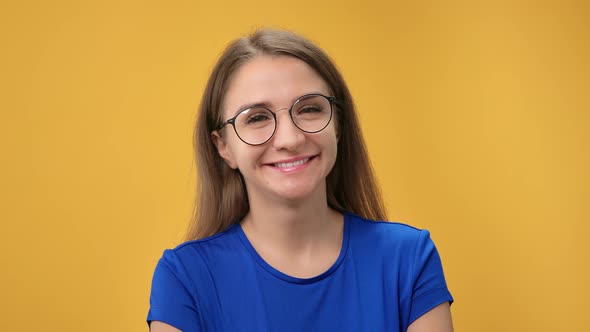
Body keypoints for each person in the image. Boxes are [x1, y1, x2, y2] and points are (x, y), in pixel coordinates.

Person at [147, 29, 454, 332]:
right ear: (223, 147)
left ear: (337, 124)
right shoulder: (183, 278)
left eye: (309, 109)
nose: (290, 139)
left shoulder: (409, 258)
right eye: (257, 117)